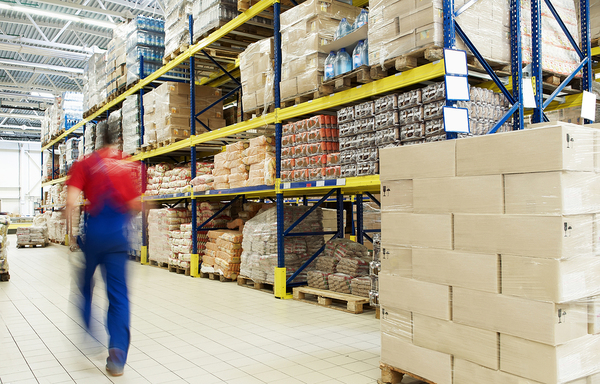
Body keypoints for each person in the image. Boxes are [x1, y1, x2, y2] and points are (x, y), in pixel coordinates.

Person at [65, 126, 142, 376]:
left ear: (97, 142)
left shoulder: (86, 164)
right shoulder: (126, 165)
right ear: (118, 141)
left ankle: (91, 335)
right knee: (119, 296)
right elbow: (135, 204)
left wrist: (70, 236)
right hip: (119, 238)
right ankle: (117, 356)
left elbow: (71, 202)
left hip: (94, 236)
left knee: (85, 286)